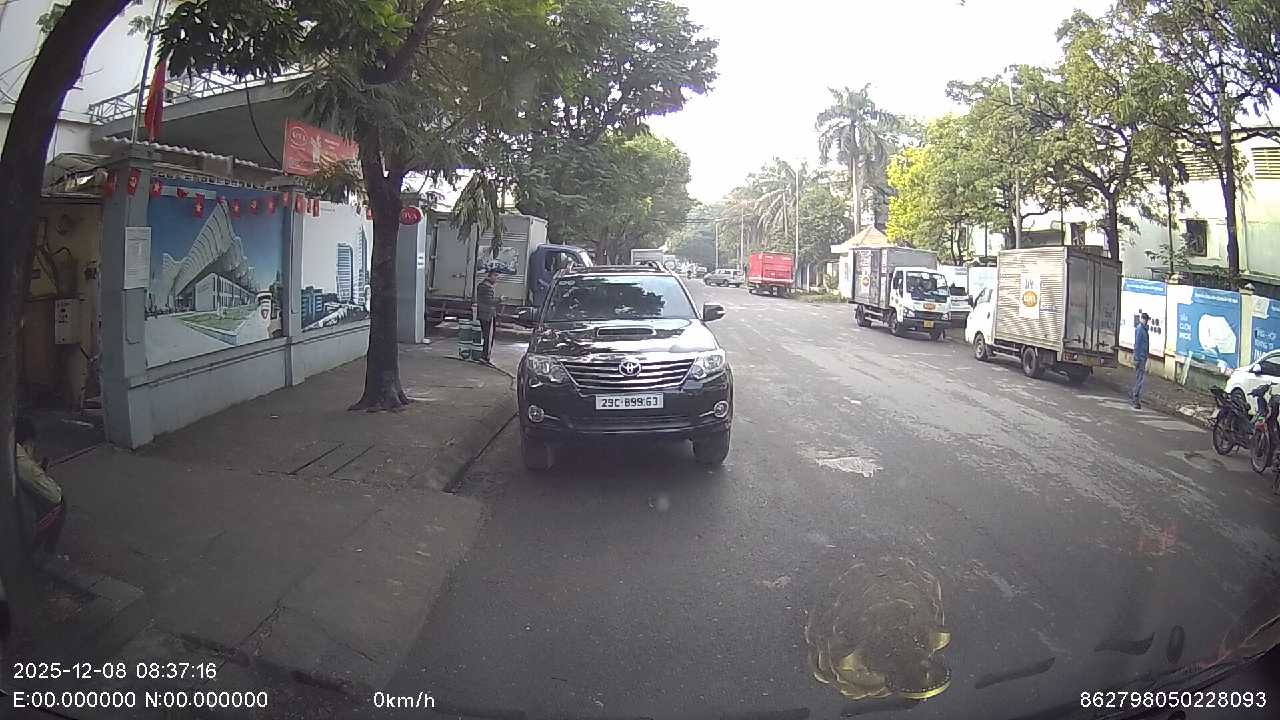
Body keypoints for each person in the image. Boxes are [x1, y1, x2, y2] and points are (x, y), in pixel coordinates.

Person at [15, 416, 66, 556]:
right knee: (60, 504)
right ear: (27, 441)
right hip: (13, 513)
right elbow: (54, 495)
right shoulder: (20, 460)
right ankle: (40, 554)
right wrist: (36, 469)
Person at [475, 268, 500, 363]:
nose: (496, 278)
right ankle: (485, 357)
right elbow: (490, 301)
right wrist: (500, 299)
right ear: (489, 276)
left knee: (487, 336)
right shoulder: (487, 287)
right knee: (489, 337)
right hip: (488, 315)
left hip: (484, 314)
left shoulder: (483, 286)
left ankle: (484, 356)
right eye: (495, 276)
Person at [1132, 312, 1150, 409]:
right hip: (1140, 358)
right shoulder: (1140, 329)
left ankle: (1136, 397)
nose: (1145, 321)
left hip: (1143, 357)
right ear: (1141, 319)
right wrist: (1136, 358)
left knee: (1140, 378)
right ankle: (1135, 398)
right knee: (1140, 378)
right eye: (1144, 319)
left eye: (1146, 320)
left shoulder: (1144, 329)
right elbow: (1137, 344)